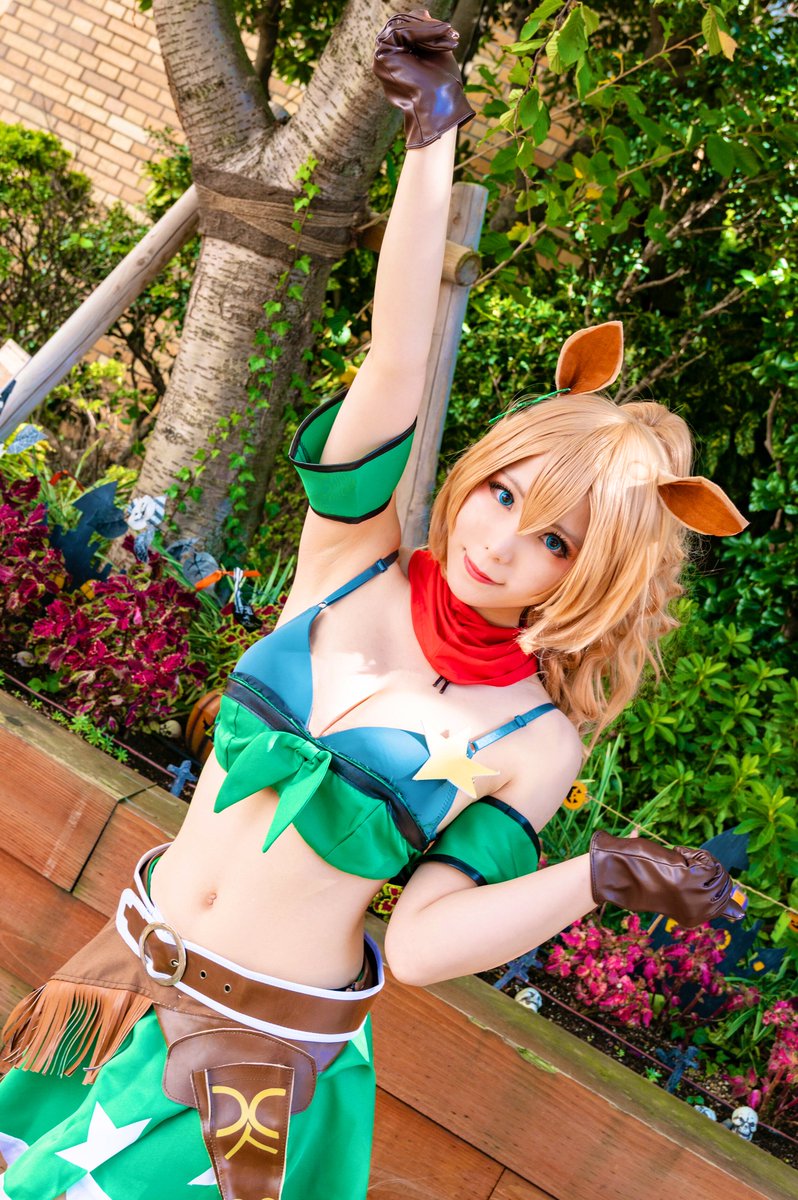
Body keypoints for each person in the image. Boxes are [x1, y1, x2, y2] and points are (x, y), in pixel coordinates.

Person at [0, 13, 747, 1200]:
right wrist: (431, 137)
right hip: (120, 979)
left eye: (555, 539)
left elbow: (423, 944)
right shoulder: (354, 560)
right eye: (503, 492)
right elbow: (397, 363)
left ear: (590, 577)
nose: (500, 540)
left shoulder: (534, 737)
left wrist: (596, 878)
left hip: (254, 1069)